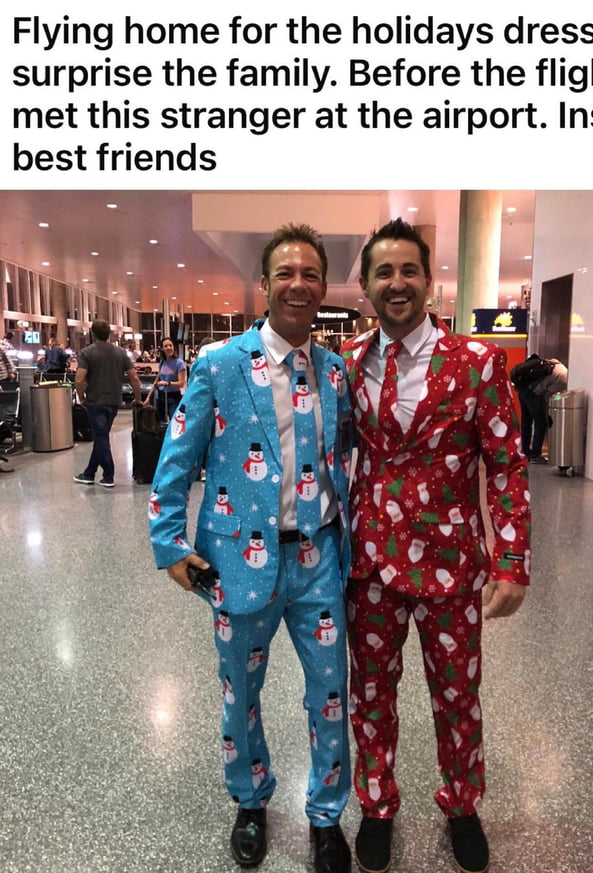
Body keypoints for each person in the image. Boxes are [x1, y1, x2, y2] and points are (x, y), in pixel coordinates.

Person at [149, 224, 354, 873]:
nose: (299, 284)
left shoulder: (334, 370)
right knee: (241, 689)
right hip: (239, 561)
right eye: (285, 273)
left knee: (330, 692)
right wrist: (169, 543)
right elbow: (176, 458)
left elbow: (343, 453)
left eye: (311, 274)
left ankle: (325, 814)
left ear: (323, 287)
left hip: (317, 557)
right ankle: (251, 798)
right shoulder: (219, 365)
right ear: (263, 284)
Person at [340, 219, 531, 873]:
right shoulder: (347, 365)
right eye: (383, 272)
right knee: (371, 691)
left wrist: (512, 557)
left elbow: (506, 464)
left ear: (429, 280)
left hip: (451, 566)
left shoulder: (477, 364)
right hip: (367, 565)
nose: (397, 283)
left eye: (408, 270)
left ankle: (461, 803)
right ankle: (376, 803)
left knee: (457, 693)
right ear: (365, 285)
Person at [73, 319, 142, 488]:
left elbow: (79, 379)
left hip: (95, 401)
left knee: (101, 436)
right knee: (101, 436)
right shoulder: (120, 353)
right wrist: (138, 398)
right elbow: (134, 377)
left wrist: (81, 396)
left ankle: (109, 475)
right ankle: (89, 473)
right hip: (114, 401)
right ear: (109, 334)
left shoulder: (86, 353)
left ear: (93, 334)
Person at [515, 354, 568, 464]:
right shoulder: (564, 379)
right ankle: (535, 455)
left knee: (526, 421)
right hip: (533, 393)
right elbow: (546, 395)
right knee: (541, 424)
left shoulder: (556, 362)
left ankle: (525, 451)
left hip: (523, 390)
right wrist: (546, 414)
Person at [152, 338, 186, 422]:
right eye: (166, 346)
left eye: (170, 345)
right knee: (160, 422)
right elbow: (157, 380)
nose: (168, 348)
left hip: (173, 397)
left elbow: (181, 383)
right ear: (162, 349)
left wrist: (167, 383)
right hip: (161, 396)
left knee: (174, 422)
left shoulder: (179, 363)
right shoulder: (162, 362)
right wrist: (148, 398)